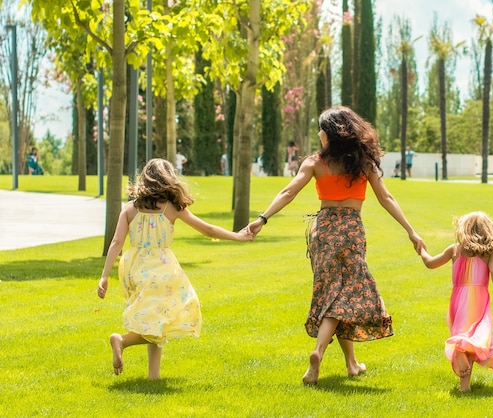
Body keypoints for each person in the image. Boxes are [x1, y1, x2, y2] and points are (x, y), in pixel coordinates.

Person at [246, 106, 425, 385]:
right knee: (343, 297)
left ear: (329, 134)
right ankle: (319, 351)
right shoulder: (362, 163)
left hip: (324, 231)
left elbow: (288, 191)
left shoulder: (315, 162)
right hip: (351, 230)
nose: (318, 134)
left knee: (333, 293)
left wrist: (262, 218)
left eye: (321, 129)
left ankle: (351, 364)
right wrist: (411, 231)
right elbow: (386, 198)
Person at [97, 158, 254, 379]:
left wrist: (104, 276)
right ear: (167, 180)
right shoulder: (172, 208)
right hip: (163, 269)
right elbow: (207, 229)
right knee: (163, 318)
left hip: (135, 269)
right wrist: (237, 236)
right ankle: (122, 341)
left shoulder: (130, 209)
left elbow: (116, 243)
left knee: (155, 317)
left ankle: (154, 375)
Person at [418, 211, 493, 392]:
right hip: (478, 300)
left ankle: (465, 387)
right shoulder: (488, 252)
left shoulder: (455, 250)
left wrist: (422, 250)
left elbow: (430, 263)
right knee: (476, 338)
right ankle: (462, 368)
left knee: (467, 339)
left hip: (458, 300)